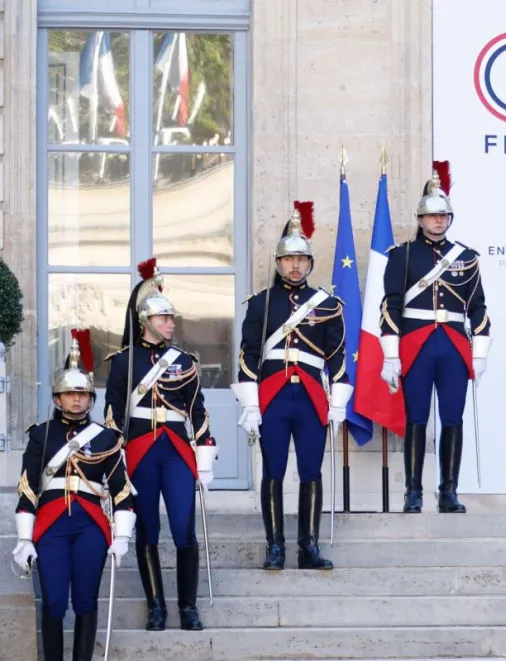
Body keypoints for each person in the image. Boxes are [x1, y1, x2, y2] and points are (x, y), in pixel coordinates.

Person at [231, 201, 352, 571]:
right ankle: (275, 546)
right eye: (288, 259)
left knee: (311, 471)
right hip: (274, 398)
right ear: (278, 263)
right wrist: (250, 404)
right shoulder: (260, 304)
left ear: (310, 263)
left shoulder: (328, 304)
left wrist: (339, 402)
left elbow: (338, 357)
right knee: (274, 471)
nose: (295, 265)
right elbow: (248, 355)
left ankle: (308, 547)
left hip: (312, 397)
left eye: (301, 259)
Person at [104, 258, 216, 630]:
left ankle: (188, 607)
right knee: (147, 528)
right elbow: (113, 417)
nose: (170, 324)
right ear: (145, 322)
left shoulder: (184, 361)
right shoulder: (123, 363)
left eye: (171, 318)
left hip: (177, 451)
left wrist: (206, 457)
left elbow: (198, 411)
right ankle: (157, 607)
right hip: (139, 452)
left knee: (183, 527)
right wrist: (112, 462)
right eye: (164, 318)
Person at [14, 330, 135, 661]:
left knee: (85, 600)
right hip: (51, 526)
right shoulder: (41, 435)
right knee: (53, 600)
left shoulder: (107, 438)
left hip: (91, 526)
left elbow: (121, 489)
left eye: (83, 394)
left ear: (91, 399)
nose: (77, 399)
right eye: (70, 394)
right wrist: (25, 539)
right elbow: (28, 487)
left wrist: (122, 535)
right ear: (57, 398)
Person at [379, 161, 491, 514]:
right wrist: (390, 354)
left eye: (444, 216)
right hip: (415, 343)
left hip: (455, 346)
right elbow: (391, 306)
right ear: (421, 219)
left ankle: (448, 491)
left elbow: (478, 307)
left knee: (453, 418)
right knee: (417, 419)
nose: (438, 222)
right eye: (432, 217)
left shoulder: (467, 258)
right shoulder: (402, 255)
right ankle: (413, 491)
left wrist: (481, 352)